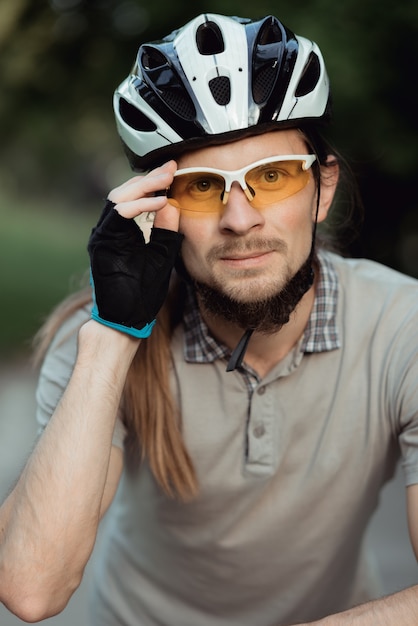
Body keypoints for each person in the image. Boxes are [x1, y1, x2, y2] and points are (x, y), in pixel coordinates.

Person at [1, 12, 418, 625]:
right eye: (201, 187)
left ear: (322, 190)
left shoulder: (403, 327)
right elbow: (31, 588)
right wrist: (114, 338)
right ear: (158, 208)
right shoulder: (100, 335)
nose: (240, 220)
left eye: (272, 178)